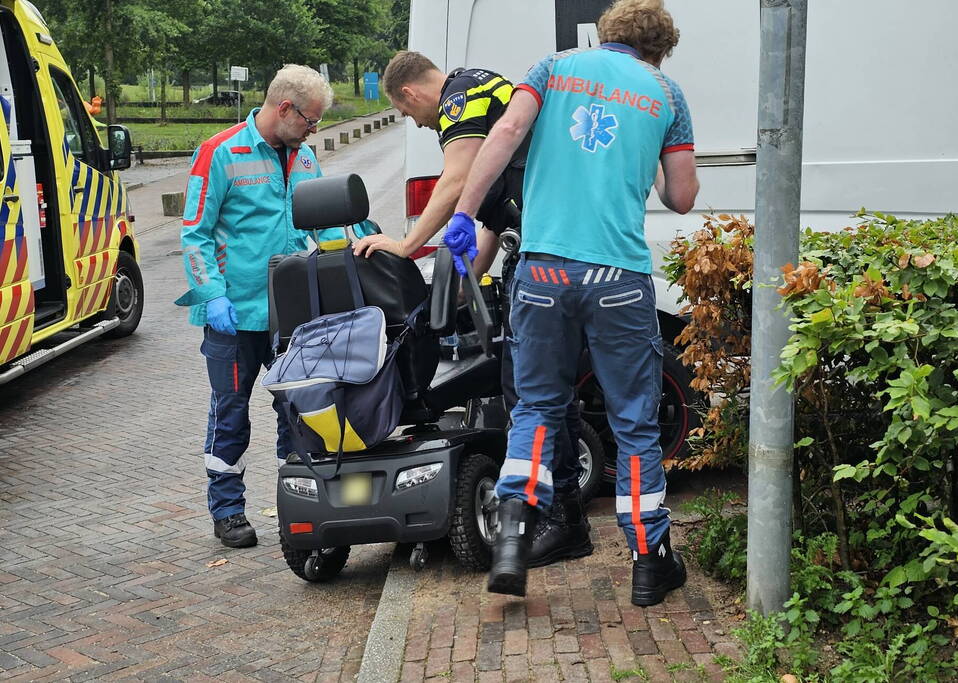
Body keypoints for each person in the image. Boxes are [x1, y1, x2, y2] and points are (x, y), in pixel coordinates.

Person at [448, 0, 700, 606]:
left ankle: (512, 538)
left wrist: (462, 213)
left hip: (543, 272)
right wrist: (652, 169)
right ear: (659, 47)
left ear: (604, 34)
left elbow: (506, 134)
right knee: (635, 420)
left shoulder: (551, 67)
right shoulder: (666, 93)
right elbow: (683, 196)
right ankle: (649, 561)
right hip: (618, 278)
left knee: (535, 405)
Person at [357, 51, 592, 567]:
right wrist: (464, 287)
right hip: (549, 248)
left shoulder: (460, 97)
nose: (413, 122)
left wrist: (407, 243)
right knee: (532, 386)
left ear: (409, 94)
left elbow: (458, 182)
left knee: (528, 389)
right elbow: (488, 216)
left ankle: (563, 519)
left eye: (405, 113)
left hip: (552, 258)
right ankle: (563, 513)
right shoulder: (484, 92)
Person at [175, 64, 334, 549]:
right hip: (235, 317)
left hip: (293, 317)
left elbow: (324, 225)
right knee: (231, 415)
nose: (313, 131)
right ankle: (228, 512)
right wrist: (213, 295)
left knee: (301, 413)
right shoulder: (221, 153)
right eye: (310, 120)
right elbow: (195, 233)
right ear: (284, 109)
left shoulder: (304, 158)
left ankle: (301, 505)